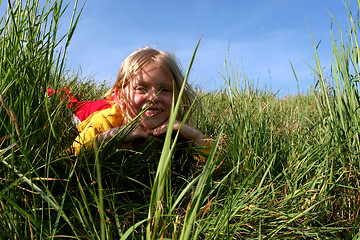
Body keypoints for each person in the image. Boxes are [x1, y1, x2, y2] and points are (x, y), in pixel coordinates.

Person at [72, 47, 208, 156]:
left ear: (176, 98)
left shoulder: (174, 127)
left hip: (129, 105)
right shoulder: (105, 121)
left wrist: (195, 136)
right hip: (98, 109)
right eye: (141, 88)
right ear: (121, 96)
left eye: (165, 90)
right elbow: (69, 157)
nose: (154, 97)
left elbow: (216, 165)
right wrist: (108, 138)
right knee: (74, 104)